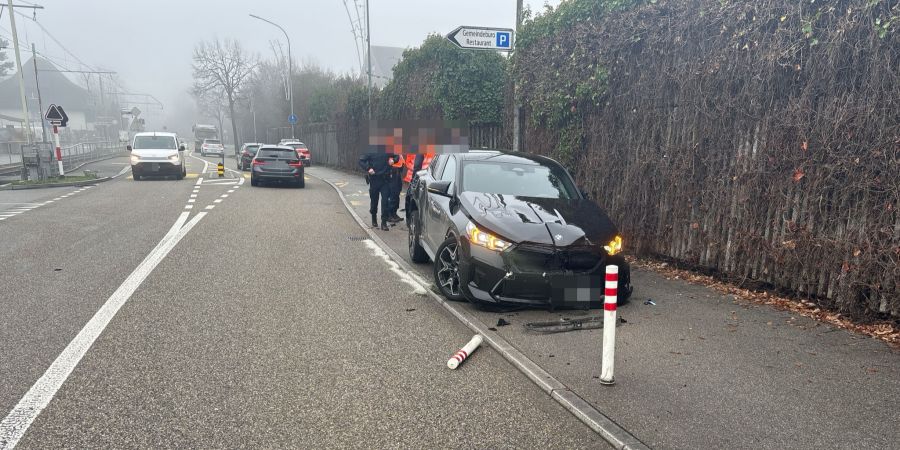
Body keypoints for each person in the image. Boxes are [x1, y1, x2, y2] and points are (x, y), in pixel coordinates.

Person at [359, 149, 397, 231]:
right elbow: (361, 161)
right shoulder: (370, 150)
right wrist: (368, 168)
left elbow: (397, 156)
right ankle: (374, 218)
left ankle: (384, 222)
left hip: (385, 180)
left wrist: (393, 160)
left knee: (385, 201)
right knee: (374, 200)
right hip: (374, 180)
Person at [386, 151, 405, 224]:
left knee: (397, 194)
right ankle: (389, 215)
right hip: (393, 172)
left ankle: (394, 213)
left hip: (397, 172)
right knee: (393, 194)